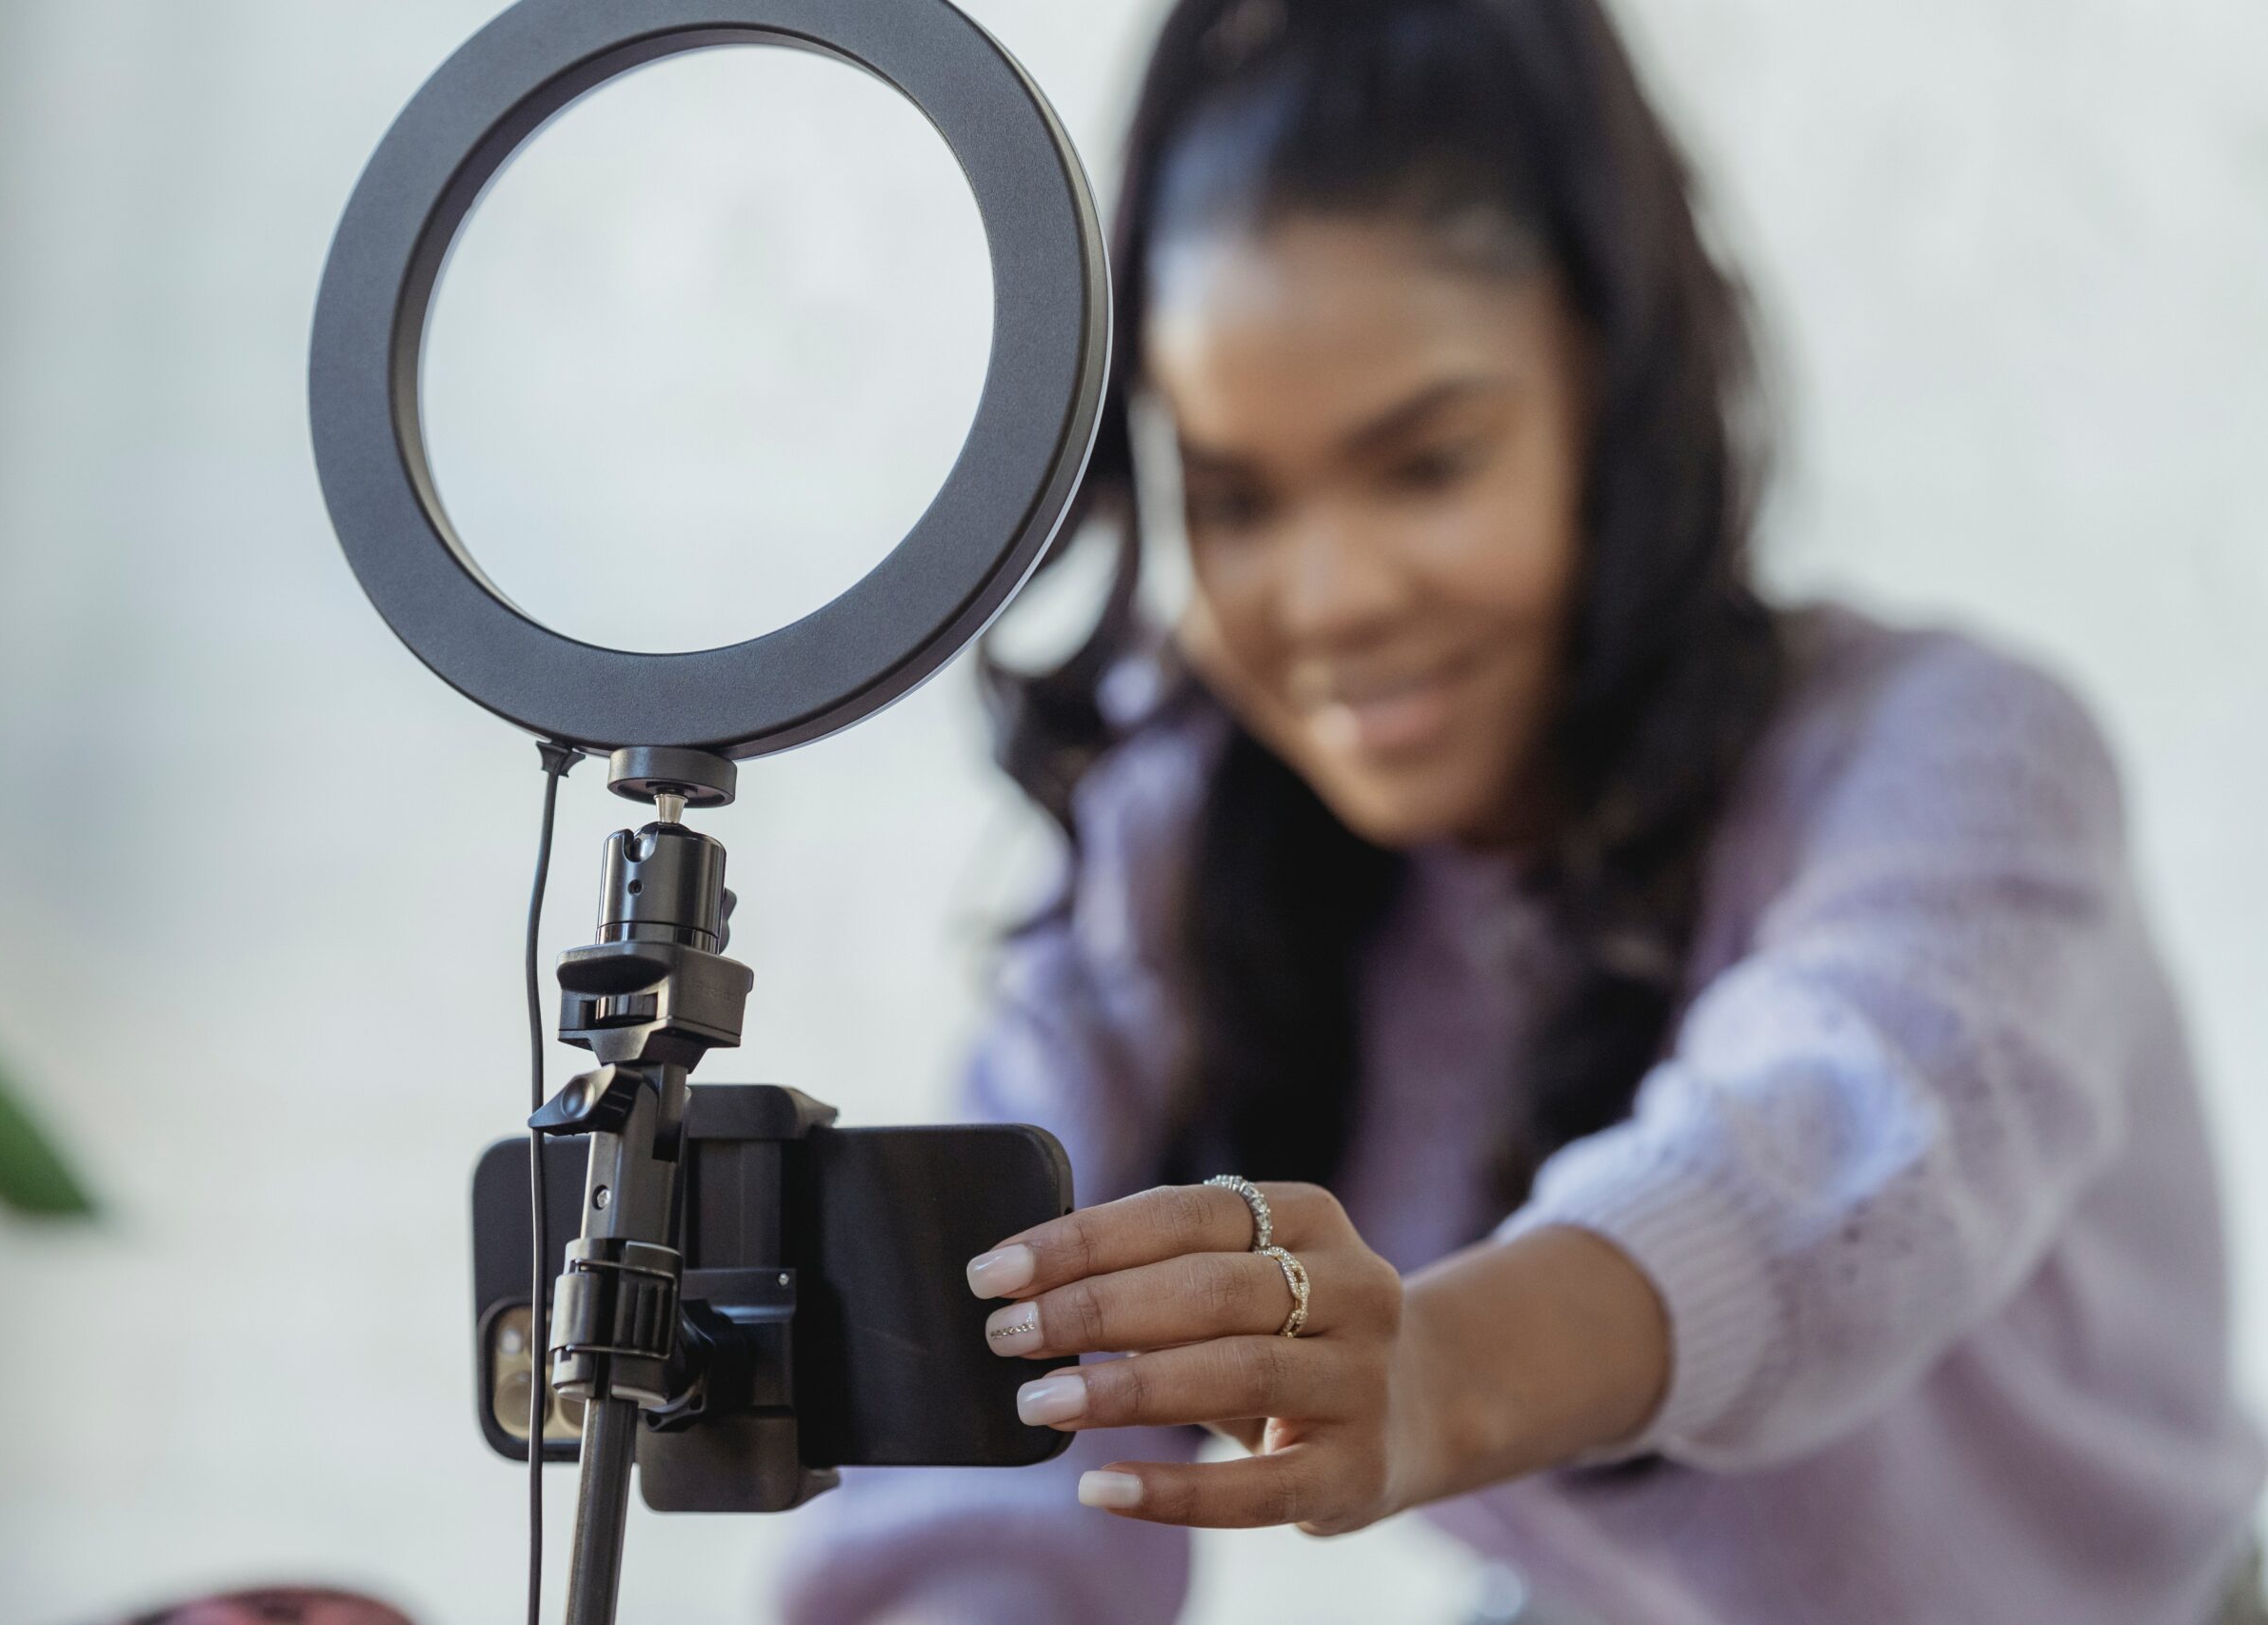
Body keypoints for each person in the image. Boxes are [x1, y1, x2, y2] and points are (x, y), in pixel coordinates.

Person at [777, 1, 2264, 1620]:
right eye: (1239, 501)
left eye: (1428, 465)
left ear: (1610, 404)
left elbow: (1829, 1154)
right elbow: (983, 1440)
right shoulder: (1177, 850)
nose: (1331, 600)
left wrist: (1434, 1375)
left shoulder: (1959, 759)